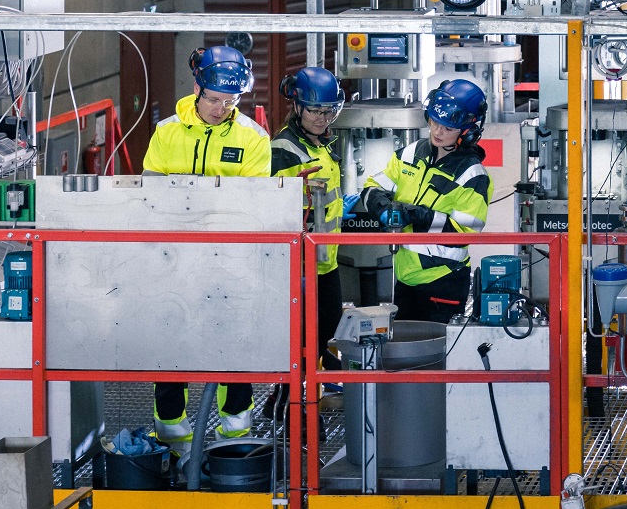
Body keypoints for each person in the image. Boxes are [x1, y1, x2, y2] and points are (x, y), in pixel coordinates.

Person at [143, 44, 271, 448]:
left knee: (233, 346)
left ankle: (234, 437)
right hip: (174, 260)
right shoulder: (166, 132)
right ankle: (171, 435)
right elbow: (151, 194)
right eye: (214, 100)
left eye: (230, 101)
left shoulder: (253, 138)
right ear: (197, 89)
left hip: (229, 262)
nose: (221, 109)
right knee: (169, 343)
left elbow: (251, 207)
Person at [356, 78, 491, 323]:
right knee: (405, 352)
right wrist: (384, 208)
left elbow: (464, 232)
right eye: (435, 122)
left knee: (437, 355)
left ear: (468, 132)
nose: (438, 132)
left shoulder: (472, 175)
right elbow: (372, 187)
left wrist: (417, 214)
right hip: (405, 277)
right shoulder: (410, 153)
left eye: (449, 128)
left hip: (443, 282)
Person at [269, 66, 346, 366]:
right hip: (299, 264)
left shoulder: (323, 143)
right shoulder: (284, 149)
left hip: (326, 261)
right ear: (297, 106)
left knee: (326, 332)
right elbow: (274, 207)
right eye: (313, 110)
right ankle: (289, 406)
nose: (321, 118)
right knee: (299, 343)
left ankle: (308, 401)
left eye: (328, 111)